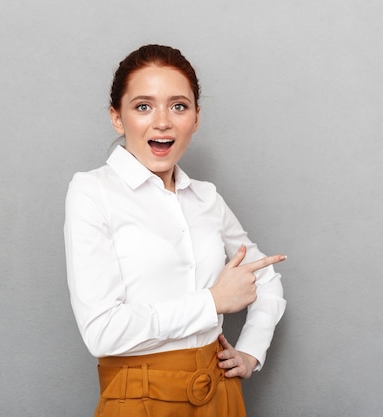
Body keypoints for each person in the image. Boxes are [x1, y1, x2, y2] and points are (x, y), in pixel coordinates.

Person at [64, 44, 287, 417]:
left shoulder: (206, 198)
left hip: (221, 394)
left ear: (196, 118)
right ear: (117, 118)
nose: (163, 121)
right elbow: (101, 331)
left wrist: (251, 351)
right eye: (143, 106)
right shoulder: (92, 192)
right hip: (138, 398)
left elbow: (266, 275)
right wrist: (211, 302)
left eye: (178, 106)